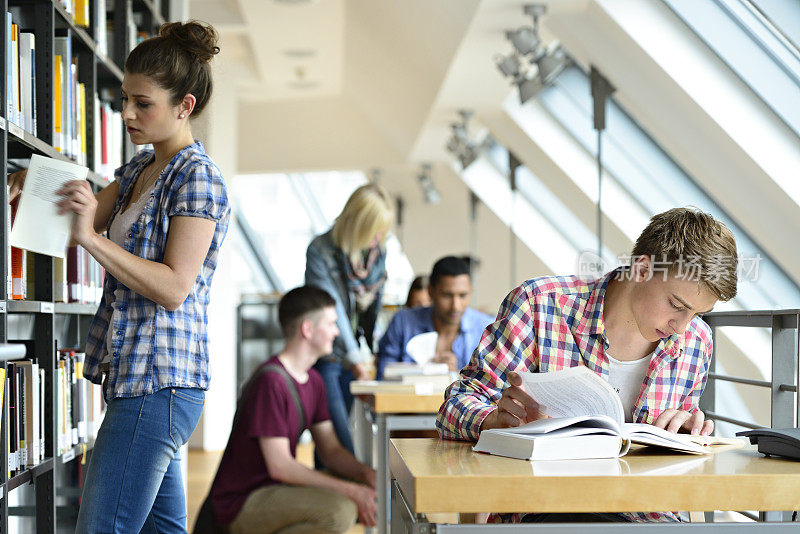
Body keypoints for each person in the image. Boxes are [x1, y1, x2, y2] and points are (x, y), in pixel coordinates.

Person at [10, 21, 230, 533]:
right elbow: (74, 227)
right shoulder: (137, 169)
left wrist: (92, 238)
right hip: (133, 376)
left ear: (185, 106)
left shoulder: (198, 176)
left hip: (160, 380)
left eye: (143, 103)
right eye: (125, 99)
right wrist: (34, 184)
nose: (127, 113)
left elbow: (175, 287)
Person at [437, 207, 738, 524]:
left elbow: (679, 463)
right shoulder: (540, 305)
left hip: (647, 516)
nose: (682, 326)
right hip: (545, 507)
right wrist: (494, 420)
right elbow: (453, 408)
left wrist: (686, 433)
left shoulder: (697, 341)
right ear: (641, 269)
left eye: (697, 314)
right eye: (676, 305)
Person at [204, 286, 377, 533]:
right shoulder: (271, 381)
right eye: (331, 324)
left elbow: (330, 450)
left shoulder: (314, 381)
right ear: (307, 329)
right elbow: (281, 466)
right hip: (243, 501)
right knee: (338, 510)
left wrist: (365, 474)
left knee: (350, 492)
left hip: (277, 490)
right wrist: (352, 491)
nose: (337, 332)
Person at [305, 183, 393, 456]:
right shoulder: (321, 251)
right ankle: (332, 495)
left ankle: (338, 494)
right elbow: (333, 312)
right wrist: (357, 362)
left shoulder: (376, 253)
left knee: (342, 439)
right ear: (358, 224)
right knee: (335, 439)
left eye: (383, 229)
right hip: (329, 354)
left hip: (354, 354)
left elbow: (370, 310)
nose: (379, 236)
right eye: (374, 229)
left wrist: (369, 351)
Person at [377, 256, 493, 379]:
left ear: (471, 291)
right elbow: (383, 376)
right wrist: (426, 370)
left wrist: (456, 375)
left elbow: (495, 387)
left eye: (463, 295)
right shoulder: (403, 322)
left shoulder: (486, 329)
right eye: (447, 295)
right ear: (431, 292)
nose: (456, 306)